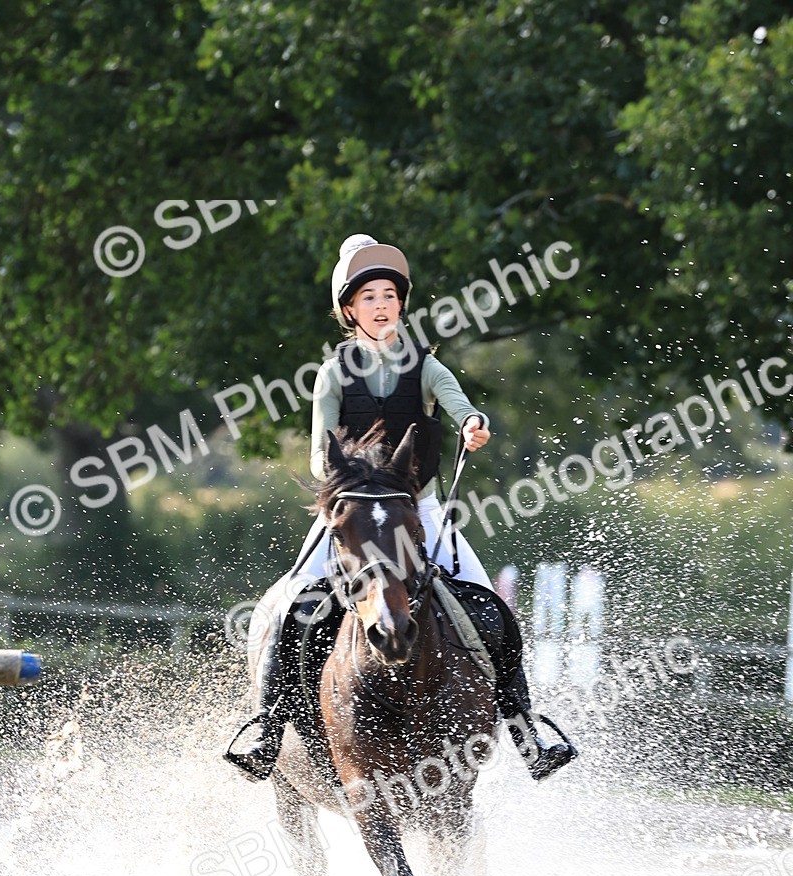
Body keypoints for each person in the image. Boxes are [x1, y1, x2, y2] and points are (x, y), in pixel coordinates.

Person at [225, 235, 576, 782]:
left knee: (490, 608)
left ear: (401, 304)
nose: (381, 305)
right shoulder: (332, 374)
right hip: (350, 513)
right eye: (369, 297)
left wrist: (473, 424)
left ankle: (526, 730)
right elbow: (318, 454)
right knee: (293, 604)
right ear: (349, 310)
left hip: (419, 509)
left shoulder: (426, 366)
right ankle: (266, 731)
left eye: (389, 295)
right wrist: (351, 477)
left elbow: (460, 405)